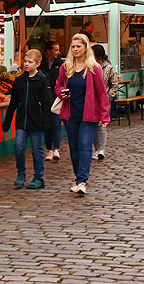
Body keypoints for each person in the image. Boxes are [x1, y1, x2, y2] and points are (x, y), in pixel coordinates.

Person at [54, 34, 110, 195]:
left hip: (89, 114)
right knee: (74, 147)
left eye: (78, 46)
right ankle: (78, 178)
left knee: (85, 144)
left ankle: (82, 181)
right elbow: (58, 85)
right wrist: (61, 92)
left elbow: (102, 93)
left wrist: (105, 115)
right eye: (73, 46)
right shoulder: (66, 67)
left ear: (86, 48)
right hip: (71, 113)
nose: (75, 49)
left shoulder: (93, 68)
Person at [2, 49, 53, 190]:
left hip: (37, 122)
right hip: (21, 121)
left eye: (30, 62)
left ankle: (39, 177)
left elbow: (47, 103)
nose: (26, 64)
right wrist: (7, 120)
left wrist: (48, 123)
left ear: (38, 63)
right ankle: (21, 174)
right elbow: (13, 102)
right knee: (18, 147)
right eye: (25, 61)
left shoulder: (42, 80)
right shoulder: (19, 81)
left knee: (37, 150)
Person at [91, 44, 119, 161]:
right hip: (92, 101)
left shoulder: (108, 68)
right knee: (94, 125)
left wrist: (108, 97)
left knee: (102, 125)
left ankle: (101, 149)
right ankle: (96, 149)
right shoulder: (90, 67)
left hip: (104, 101)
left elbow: (115, 85)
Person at [41, 40, 64, 161]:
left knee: (56, 123)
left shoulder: (60, 64)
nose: (58, 52)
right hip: (44, 98)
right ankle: (49, 149)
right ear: (48, 51)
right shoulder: (41, 64)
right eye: (56, 50)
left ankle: (56, 149)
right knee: (47, 124)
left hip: (57, 98)